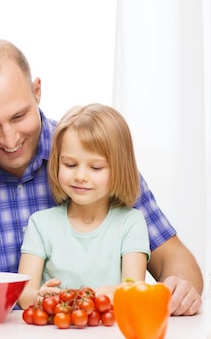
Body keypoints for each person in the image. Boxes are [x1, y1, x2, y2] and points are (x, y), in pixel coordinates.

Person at [0, 38, 204, 316]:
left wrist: (180, 288)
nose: (10, 139)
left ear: (37, 91)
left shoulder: (93, 153)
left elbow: (172, 256)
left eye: (19, 116)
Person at [17, 103, 149, 309]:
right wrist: (38, 297)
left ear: (119, 168)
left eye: (95, 167)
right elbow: (24, 294)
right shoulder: (41, 223)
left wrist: (114, 293)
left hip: (108, 336)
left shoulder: (130, 223)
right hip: (52, 335)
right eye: (69, 165)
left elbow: (134, 290)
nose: (80, 176)